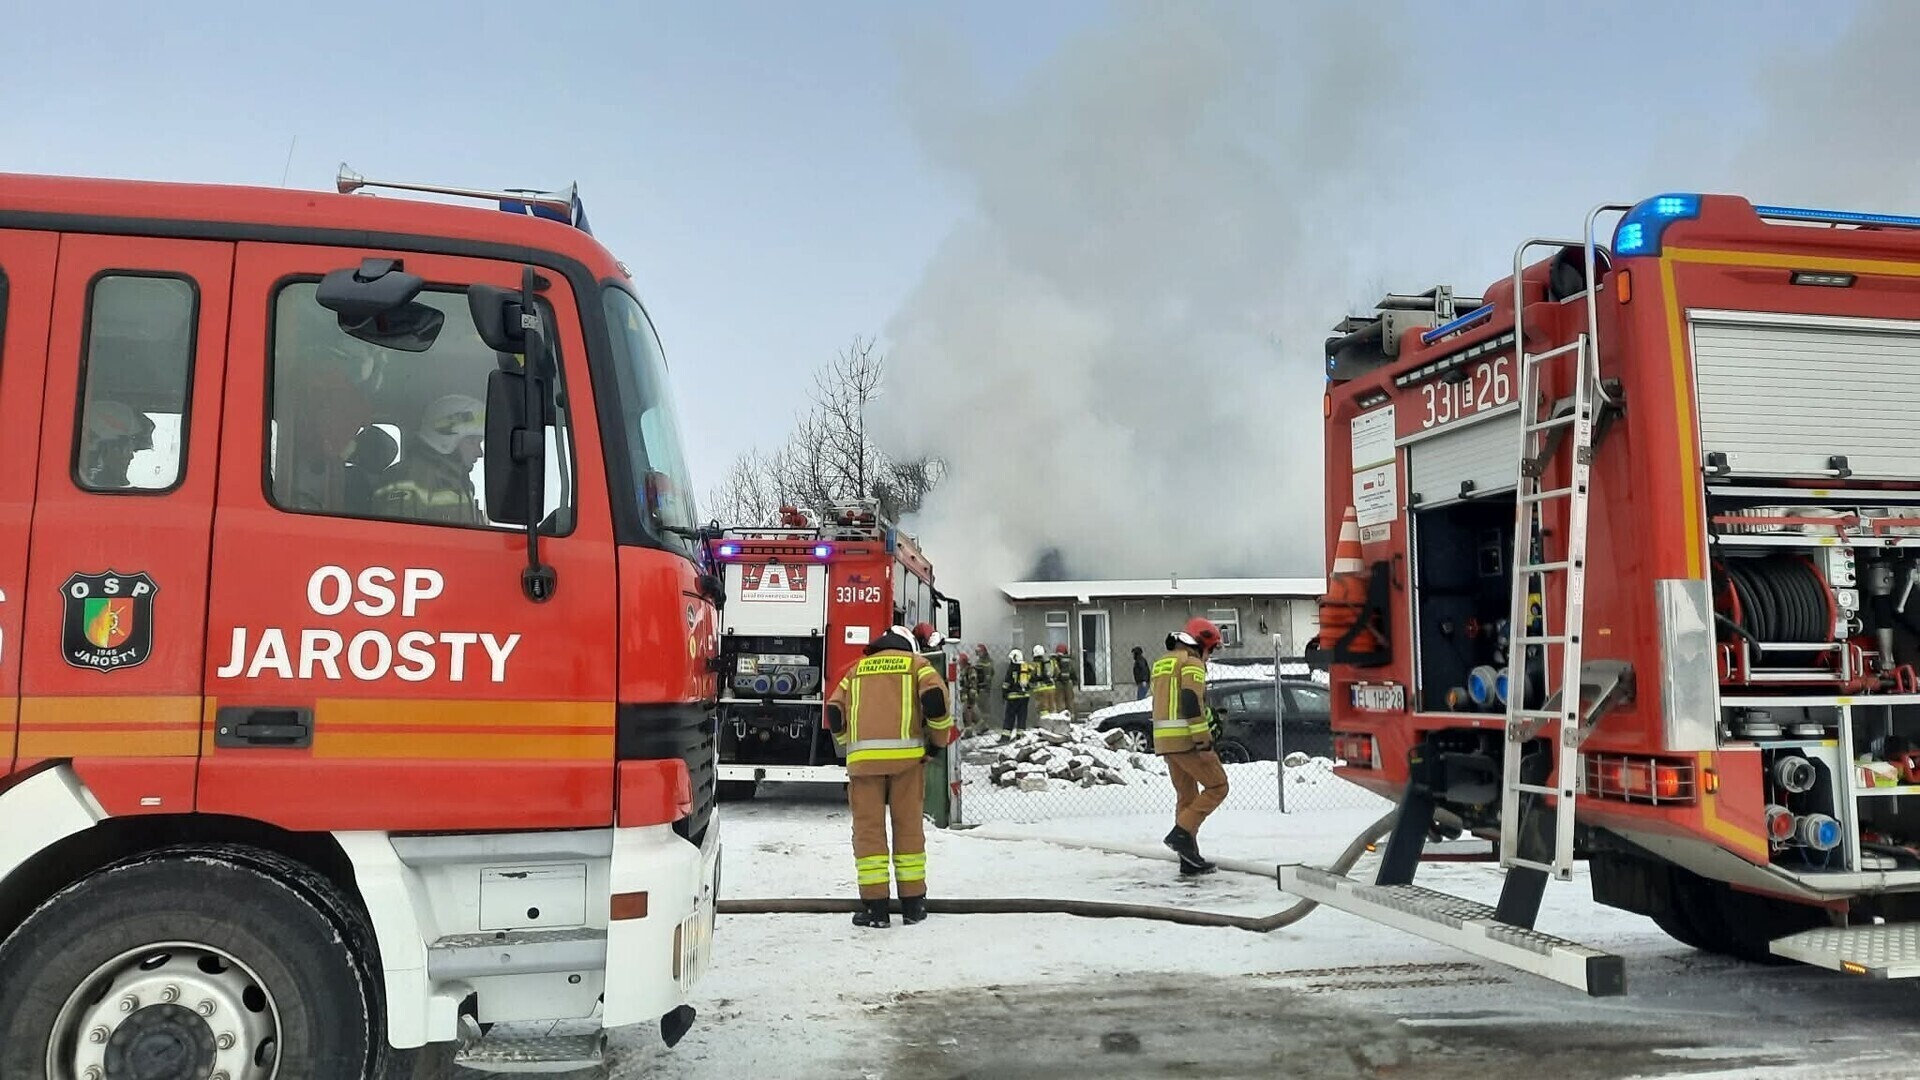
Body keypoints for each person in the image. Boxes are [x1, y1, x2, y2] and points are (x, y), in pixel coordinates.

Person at [827, 625, 955, 928]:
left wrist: (850, 745)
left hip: (863, 766)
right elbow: (936, 702)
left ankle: (876, 910)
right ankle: (913, 906)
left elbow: (834, 712)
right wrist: (936, 745)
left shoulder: (855, 671)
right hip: (907, 763)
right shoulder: (917, 665)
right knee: (908, 829)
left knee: (868, 833)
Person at [1151, 617, 1231, 875]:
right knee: (1218, 786)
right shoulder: (1192, 662)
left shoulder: (1163, 662)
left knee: (1186, 797)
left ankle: (1189, 859)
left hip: (1165, 741)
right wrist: (1203, 741)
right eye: (1212, 648)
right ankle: (1181, 834)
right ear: (1202, 642)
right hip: (1186, 740)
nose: (1210, 655)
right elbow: (1189, 699)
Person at [375, 394, 487, 526]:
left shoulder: (459, 483)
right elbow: (399, 535)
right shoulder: (407, 480)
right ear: (446, 439)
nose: (480, 453)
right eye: (472, 442)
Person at [1001, 648, 1033, 731]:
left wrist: (1004, 693)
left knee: (1009, 717)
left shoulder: (1011, 668)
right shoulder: (1026, 667)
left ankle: (1006, 735)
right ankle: (1020, 734)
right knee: (1022, 717)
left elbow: (1007, 682)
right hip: (1024, 696)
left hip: (1013, 697)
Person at [1030, 644, 1056, 715]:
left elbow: (1031, 676)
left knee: (1042, 709)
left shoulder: (1033, 664)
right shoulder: (1050, 662)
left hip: (1040, 688)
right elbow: (1056, 672)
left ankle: (1044, 720)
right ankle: (1052, 720)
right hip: (1051, 687)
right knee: (1052, 708)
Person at [1053, 642, 1078, 719]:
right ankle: (1071, 716)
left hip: (1058, 683)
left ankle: (1061, 717)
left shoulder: (1054, 660)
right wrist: (1075, 682)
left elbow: (1053, 671)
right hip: (1069, 682)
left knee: (1060, 702)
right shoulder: (1069, 660)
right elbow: (1073, 672)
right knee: (1070, 701)